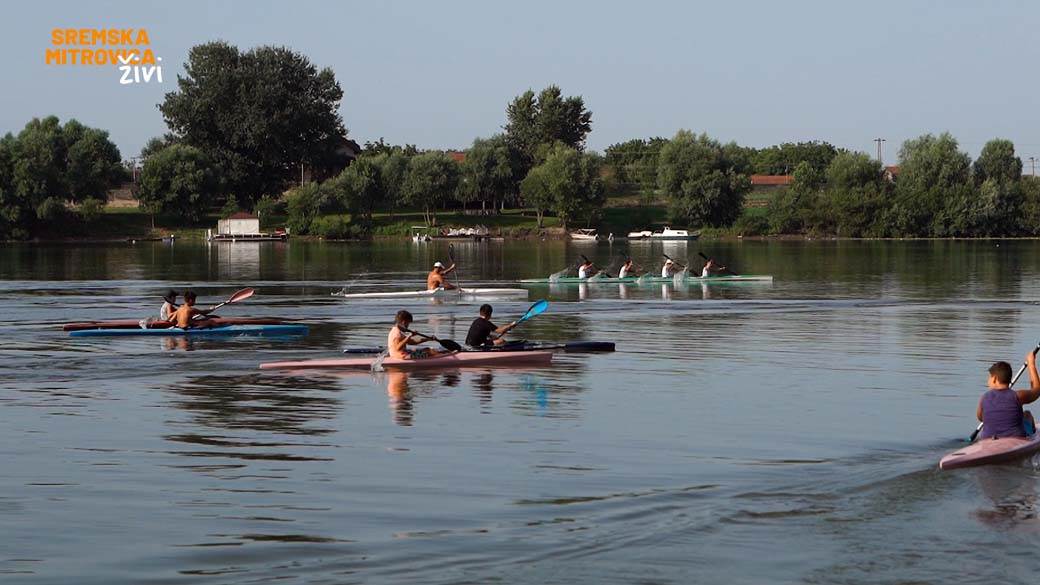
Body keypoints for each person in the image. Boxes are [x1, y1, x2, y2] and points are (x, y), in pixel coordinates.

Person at [976, 353, 1040, 439]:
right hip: (1016, 438)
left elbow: (981, 418)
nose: (988, 381)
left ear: (994, 379)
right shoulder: (1018, 396)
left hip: (988, 438)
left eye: (989, 377)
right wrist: (1031, 364)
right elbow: (1037, 390)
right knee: (1027, 415)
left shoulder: (984, 398)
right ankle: (1033, 437)